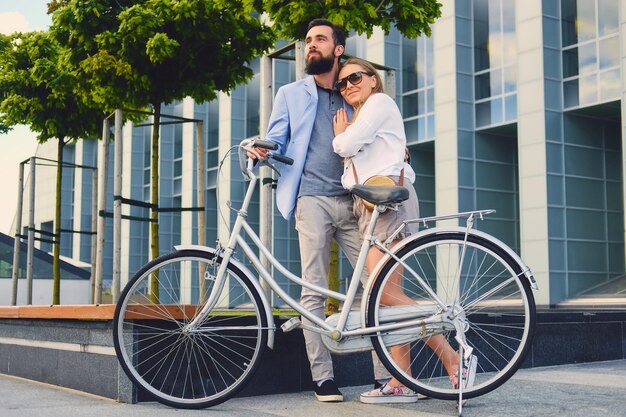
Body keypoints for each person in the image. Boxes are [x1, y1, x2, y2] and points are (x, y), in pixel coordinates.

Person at [254, 19, 392, 403]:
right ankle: (323, 378)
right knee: (312, 289)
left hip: (356, 201)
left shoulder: (354, 90)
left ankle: (386, 376)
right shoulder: (290, 93)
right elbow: (275, 139)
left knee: (375, 285)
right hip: (311, 200)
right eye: (307, 41)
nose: (310, 46)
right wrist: (259, 149)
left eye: (319, 40)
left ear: (338, 49)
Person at [332, 57, 478, 404]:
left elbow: (346, 146)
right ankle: (402, 380)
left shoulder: (379, 103)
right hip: (370, 204)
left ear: (372, 80)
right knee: (383, 296)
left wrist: (342, 136)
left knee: (382, 293)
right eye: (342, 83)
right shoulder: (365, 114)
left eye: (355, 77)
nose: (348, 85)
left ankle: (452, 356)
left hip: (388, 202)